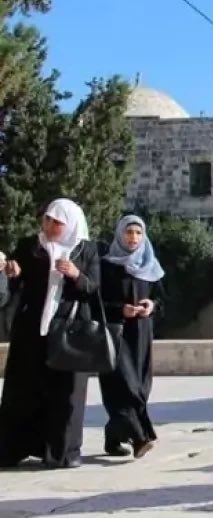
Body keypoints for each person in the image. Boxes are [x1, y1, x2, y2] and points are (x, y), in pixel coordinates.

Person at [0, 199, 99, 468]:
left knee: (67, 393)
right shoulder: (30, 246)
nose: (50, 226)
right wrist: (13, 272)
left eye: (57, 222)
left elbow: (93, 288)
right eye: (47, 220)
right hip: (31, 330)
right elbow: (16, 281)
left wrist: (76, 275)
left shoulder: (85, 249)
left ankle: (63, 452)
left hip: (69, 330)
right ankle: (15, 448)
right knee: (24, 388)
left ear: (71, 224)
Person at [97, 215, 165, 460]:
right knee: (125, 386)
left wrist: (151, 306)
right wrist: (120, 309)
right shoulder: (106, 266)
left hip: (141, 334)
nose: (133, 237)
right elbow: (96, 302)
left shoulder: (151, 266)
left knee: (141, 387)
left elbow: (163, 300)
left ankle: (113, 438)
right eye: (129, 232)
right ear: (119, 234)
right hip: (115, 333)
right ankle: (140, 438)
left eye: (138, 232)